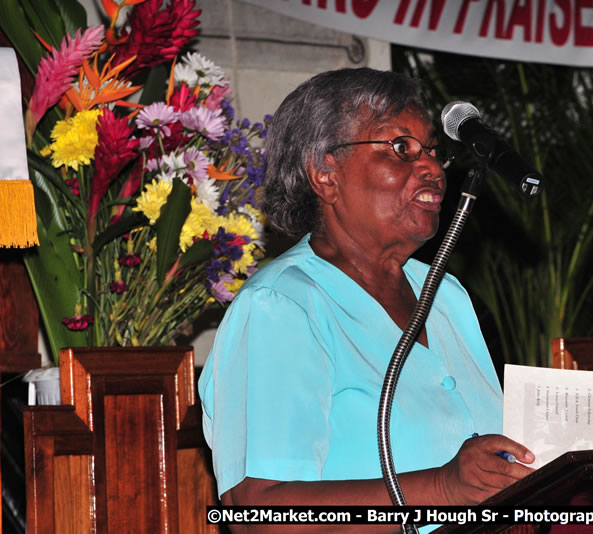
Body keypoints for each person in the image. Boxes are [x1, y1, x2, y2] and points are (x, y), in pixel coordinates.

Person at [198, 67, 535, 533]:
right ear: (324, 174)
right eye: (401, 149)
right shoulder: (282, 306)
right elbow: (260, 516)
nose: (434, 169)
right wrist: (441, 491)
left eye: (434, 152)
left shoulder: (446, 296)